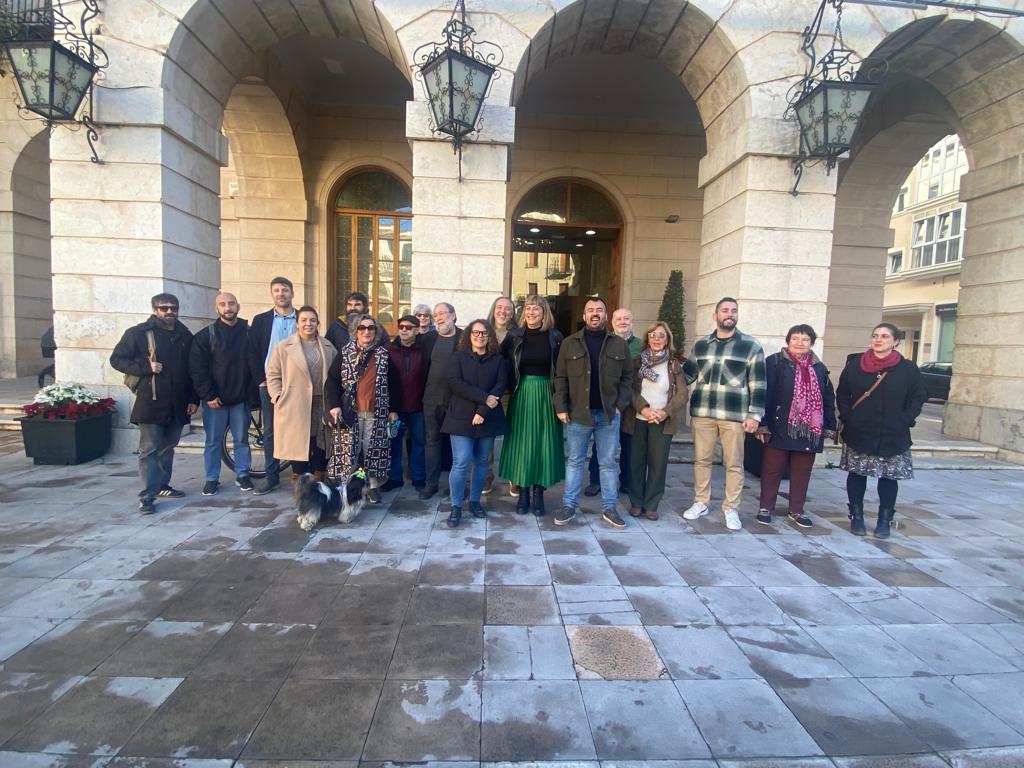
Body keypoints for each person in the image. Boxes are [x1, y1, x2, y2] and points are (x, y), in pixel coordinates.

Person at [681, 297, 766, 531]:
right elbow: (686, 376)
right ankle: (701, 502)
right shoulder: (701, 345)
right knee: (701, 460)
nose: (729, 314)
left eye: (733, 311)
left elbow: (758, 384)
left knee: (734, 463)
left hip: (734, 415)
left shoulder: (751, 346)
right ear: (715, 315)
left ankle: (731, 508)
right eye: (725, 310)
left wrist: (755, 415)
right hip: (703, 413)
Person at [110, 293, 199, 514]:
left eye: (173, 308)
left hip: (178, 403)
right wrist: (146, 367)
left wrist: (193, 399)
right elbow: (117, 359)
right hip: (151, 401)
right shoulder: (138, 334)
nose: (169, 312)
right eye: (164, 308)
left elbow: (193, 371)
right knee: (149, 449)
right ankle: (147, 495)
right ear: (155, 310)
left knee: (168, 447)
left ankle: (162, 486)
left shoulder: (185, 336)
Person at [837, 322, 927, 538]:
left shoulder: (907, 369)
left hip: (893, 433)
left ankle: (884, 520)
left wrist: (906, 419)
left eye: (885, 336)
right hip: (860, 431)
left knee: (888, 478)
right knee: (857, 475)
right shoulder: (856, 364)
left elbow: (918, 396)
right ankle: (856, 517)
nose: (878, 340)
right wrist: (849, 416)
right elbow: (842, 393)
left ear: (895, 342)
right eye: (875, 335)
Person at [553, 296, 633, 529]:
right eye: (590, 310)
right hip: (578, 415)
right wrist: (561, 406)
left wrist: (621, 404)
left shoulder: (619, 344)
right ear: (584, 315)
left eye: (599, 309)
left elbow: (628, 377)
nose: (595, 313)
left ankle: (610, 508)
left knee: (607, 463)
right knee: (575, 461)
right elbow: (560, 377)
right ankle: (569, 505)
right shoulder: (570, 343)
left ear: (606, 315)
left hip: (608, 414)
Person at [755, 324, 837, 529]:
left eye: (805, 339)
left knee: (802, 472)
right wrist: (762, 423)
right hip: (779, 425)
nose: (800, 343)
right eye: (795, 339)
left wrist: (829, 425)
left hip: (809, 430)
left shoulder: (819, 367)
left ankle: (797, 510)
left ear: (812, 343)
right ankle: (766, 507)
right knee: (772, 470)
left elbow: (828, 397)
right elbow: (763, 393)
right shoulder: (773, 363)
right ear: (788, 341)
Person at [499, 295, 565, 517]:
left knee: (542, 444)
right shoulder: (514, 336)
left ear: (544, 312)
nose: (531, 312)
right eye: (528, 308)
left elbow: (562, 370)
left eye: (536, 308)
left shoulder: (555, 337)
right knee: (522, 443)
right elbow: (499, 362)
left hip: (547, 394)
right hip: (522, 392)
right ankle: (523, 492)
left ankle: (539, 493)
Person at [326, 313, 399, 504]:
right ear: (355, 331)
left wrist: (393, 409)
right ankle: (350, 486)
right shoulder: (345, 352)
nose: (366, 331)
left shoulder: (383, 354)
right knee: (351, 451)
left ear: (376, 332)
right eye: (362, 328)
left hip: (376, 412)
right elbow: (331, 381)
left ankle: (372, 485)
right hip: (351, 411)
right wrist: (334, 405)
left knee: (372, 450)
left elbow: (394, 383)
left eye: (370, 328)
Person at [442, 319, 507, 527]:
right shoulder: (457, 357)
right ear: (469, 335)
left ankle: (475, 501)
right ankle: (456, 506)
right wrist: (483, 398)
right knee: (461, 461)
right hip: (460, 417)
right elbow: (455, 383)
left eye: (484, 333)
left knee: (481, 462)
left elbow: (499, 387)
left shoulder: (497, 360)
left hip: (487, 418)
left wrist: (482, 411)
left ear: (490, 337)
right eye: (476, 332)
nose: (480, 336)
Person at [188, 292, 253, 496]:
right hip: (215, 400)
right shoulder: (206, 335)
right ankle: (211, 478)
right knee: (213, 441)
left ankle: (243, 474)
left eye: (231, 304)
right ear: (217, 308)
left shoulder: (248, 333)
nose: (228, 308)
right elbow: (197, 368)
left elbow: (255, 365)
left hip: (240, 399)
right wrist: (208, 395)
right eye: (223, 304)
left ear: (238, 307)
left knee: (242, 439)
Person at [622, 321, 688, 521]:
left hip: (662, 420)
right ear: (647, 339)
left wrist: (665, 412)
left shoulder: (674, 364)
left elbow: (682, 394)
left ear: (668, 339)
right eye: (653, 335)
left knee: (658, 465)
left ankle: (651, 504)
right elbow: (629, 389)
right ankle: (636, 502)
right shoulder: (636, 362)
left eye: (661, 335)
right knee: (635, 463)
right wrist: (643, 408)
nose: (657, 339)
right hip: (638, 418)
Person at [265, 306, 337, 479]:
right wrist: (277, 396)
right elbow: (273, 374)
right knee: (299, 443)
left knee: (322, 442)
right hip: (295, 402)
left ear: (318, 323)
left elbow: (335, 375)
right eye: (304, 320)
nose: (308, 324)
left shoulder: (328, 346)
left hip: (322, 402)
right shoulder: (284, 347)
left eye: (312, 320)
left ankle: (318, 477)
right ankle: (300, 483)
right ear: (297, 323)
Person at [585, 307, 642, 497]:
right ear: (612, 321)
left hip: (632, 404)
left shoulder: (641, 346)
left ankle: (625, 481)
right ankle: (595, 481)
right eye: (619, 319)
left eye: (627, 318)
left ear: (632, 321)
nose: (623, 322)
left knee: (628, 443)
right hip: (607, 403)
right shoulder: (604, 342)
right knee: (600, 445)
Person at [248, 277, 297, 495]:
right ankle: (272, 476)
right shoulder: (261, 320)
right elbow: (251, 352)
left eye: (284, 290)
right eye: (276, 290)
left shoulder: (302, 319)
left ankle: (299, 476)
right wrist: (260, 379)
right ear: (272, 294)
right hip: (269, 383)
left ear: (292, 293)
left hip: (297, 384)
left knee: (298, 430)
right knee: (270, 432)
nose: (281, 294)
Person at [418, 302, 462, 499]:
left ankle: (457, 485)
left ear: (453, 316)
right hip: (431, 400)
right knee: (431, 442)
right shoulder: (427, 339)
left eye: (443, 313)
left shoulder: (464, 338)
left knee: (458, 444)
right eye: (436, 314)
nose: (439, 317)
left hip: (458, 401)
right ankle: (431, 483)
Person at [381, 314, 426, 492]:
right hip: (395, 410)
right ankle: (394, 477)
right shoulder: (388, 350)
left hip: (418, 407)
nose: (404, 330)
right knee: (394, 442)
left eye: (408, 327)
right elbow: (384, 381)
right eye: (401, 327)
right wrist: (391, 408)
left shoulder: (423, 350)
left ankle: (418, 477)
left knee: (419, 443)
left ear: (417, 330)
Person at [484, 296, 517, 494]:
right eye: (499, 307)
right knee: (487, 434)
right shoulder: (483, 331)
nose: (503, 311)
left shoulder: (518, 334)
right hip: (487, 392)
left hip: (510, 390)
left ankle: (514, 475)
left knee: (512, 434)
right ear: (493, 309)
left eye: (507, 308)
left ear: (512, 312)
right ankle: (487, 474)